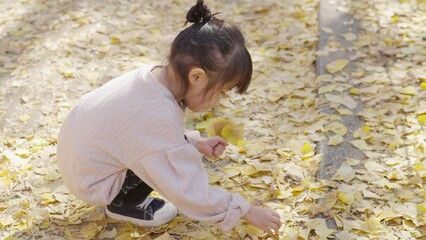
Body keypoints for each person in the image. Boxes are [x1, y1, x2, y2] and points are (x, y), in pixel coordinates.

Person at [57, 0, 281, 233]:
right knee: (167, 166)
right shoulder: (160, 114)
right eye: (221, 92)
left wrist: (194, 143)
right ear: (196, 76)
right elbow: (187, 189)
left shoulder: (150, 76)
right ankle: (124, 202)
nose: (219, 101)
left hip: (79, 163)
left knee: (164, 152)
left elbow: (142, 131)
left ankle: (122, 194)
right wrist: (245, 210)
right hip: (94, 183)